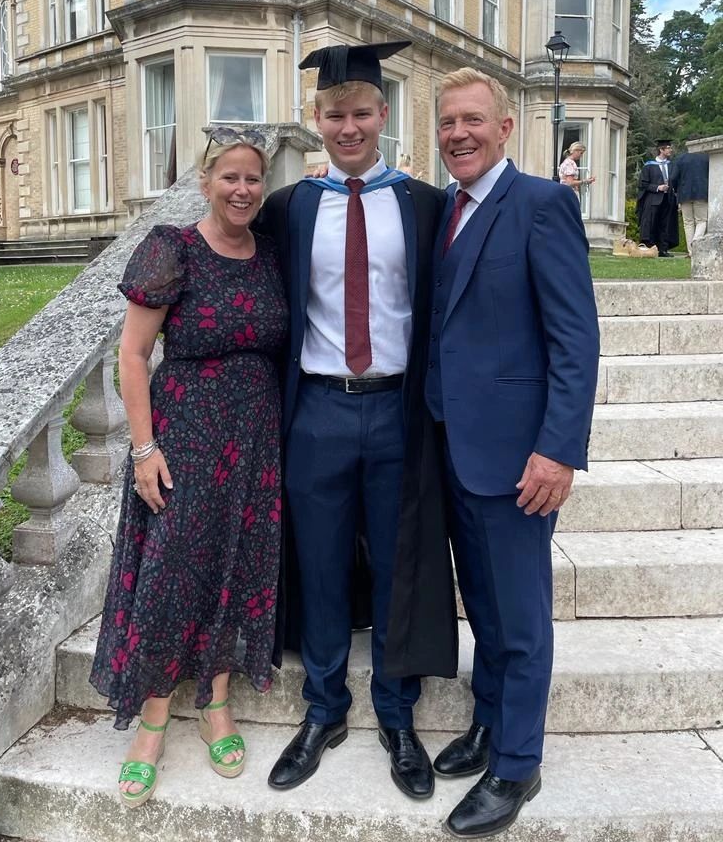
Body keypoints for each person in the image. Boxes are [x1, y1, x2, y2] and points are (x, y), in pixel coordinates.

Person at [258, 42, 458, 799]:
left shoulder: (424, 204)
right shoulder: (291, 205)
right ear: (318, 120)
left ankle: (397, 715)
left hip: (398, 408)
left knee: (403, 562)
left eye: (362, 113)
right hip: (317, 410)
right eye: (335, 114)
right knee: (320, 559)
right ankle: (323, 708)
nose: (349, 127)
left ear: (383, 116)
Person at [90, 130, 288, 807]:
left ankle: (216, 703)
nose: (242, 190)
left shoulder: (271, 255)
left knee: (239, 568)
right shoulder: (173, 249)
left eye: (252, 179)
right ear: (205, 181)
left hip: (256, 445)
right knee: (172, 574)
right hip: (185, 439)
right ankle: (150, 721)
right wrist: (144, 449)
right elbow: (132, 357)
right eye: (229, 177)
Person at [426, 67, 599, 838]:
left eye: (471, 120)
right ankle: (490, 722)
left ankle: (517, 764)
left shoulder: (541, 204)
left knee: (522, 617)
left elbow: (575, 339)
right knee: (487, 609)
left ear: (505, 128)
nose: (457, 133)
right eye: (446, 122)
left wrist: (557, 450)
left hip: (519, 458)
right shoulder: (448, 213)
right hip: (454, 449)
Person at [637, 139, 677, 257]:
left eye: (670, 148)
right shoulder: (649, 166)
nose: (670, 150)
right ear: (661, 150)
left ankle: (663, 249)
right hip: (653, 199)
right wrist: (658, 187)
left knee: (666, 224)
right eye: (668, 148)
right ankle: (650, 247)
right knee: (651, 223)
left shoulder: (672, 165)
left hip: (668, 199)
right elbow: (643, 184)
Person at [670, 146, 709, 249]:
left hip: (684, 194)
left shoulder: (680, 158)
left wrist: (677, 190)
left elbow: (673, 177)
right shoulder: (707, 158)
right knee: (701, 220)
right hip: (702, 193)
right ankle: (696, 243)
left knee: (688, 223)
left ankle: (691, 251)